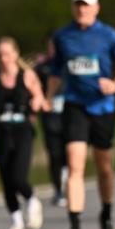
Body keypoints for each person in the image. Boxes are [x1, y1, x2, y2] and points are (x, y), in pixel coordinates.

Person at [46, 0, 115, 229]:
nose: (81, 9)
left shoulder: (109, 35)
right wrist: (49, 96)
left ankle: (107, 216)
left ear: (96, 8)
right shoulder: (63, 36)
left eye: (86, 5)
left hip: (103, 106)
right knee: (75, 166)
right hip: (75, 106)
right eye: (77, 4)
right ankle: (75, 228)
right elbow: (55, 71)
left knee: (104, 166)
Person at [0, 37, 45, 229]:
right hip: (1, 130)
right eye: (0, 55)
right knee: (6, 178)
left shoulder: (27, 75)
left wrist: (38, 103)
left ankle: (31, 199)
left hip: (22, 129)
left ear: (15, 54)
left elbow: (38, 95)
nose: (3, 58)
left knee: (18, 176)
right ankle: (16, 221)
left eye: (7, 53)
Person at [34, 37, 68, 207]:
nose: (53, 49)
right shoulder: (41, 68)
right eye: (50, 46)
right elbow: (33, 89)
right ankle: (58, 190)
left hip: (70, 117)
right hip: (50, 118)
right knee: (54, 155)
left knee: (70, 153)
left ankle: (69, 183)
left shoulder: (69, 64)